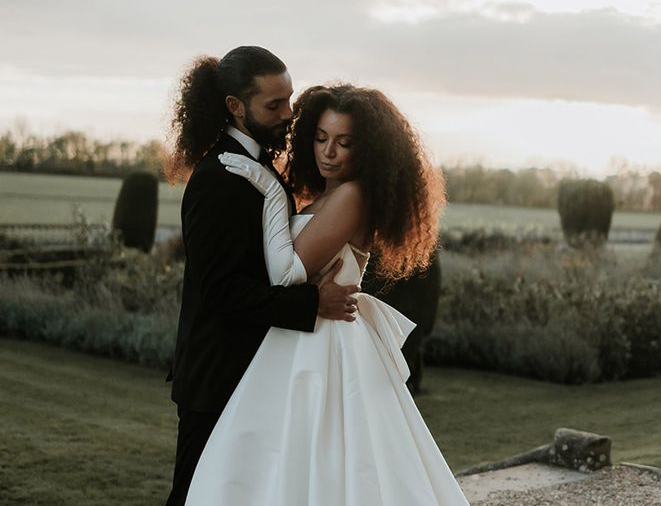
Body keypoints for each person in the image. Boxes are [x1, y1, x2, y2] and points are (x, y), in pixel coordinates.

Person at [185, 84, 470, 505]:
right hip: (305, 333)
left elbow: (286, 273)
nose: (328, 151)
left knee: (324, 458)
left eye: (344, 142)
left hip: (324, 344)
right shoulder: (330, 195)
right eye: (321, 138)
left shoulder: (352, 196)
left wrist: (266, 186)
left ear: (368, 149)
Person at [164, 48, 359, 506]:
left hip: (257, 372)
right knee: (195, 496)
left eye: (289, 100)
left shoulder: (259, 169)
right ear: (236, 106)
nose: (289, 114)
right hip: (217, 378)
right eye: (274, 105)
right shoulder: (220, 177)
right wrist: (313, 304)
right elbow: (219, 292)